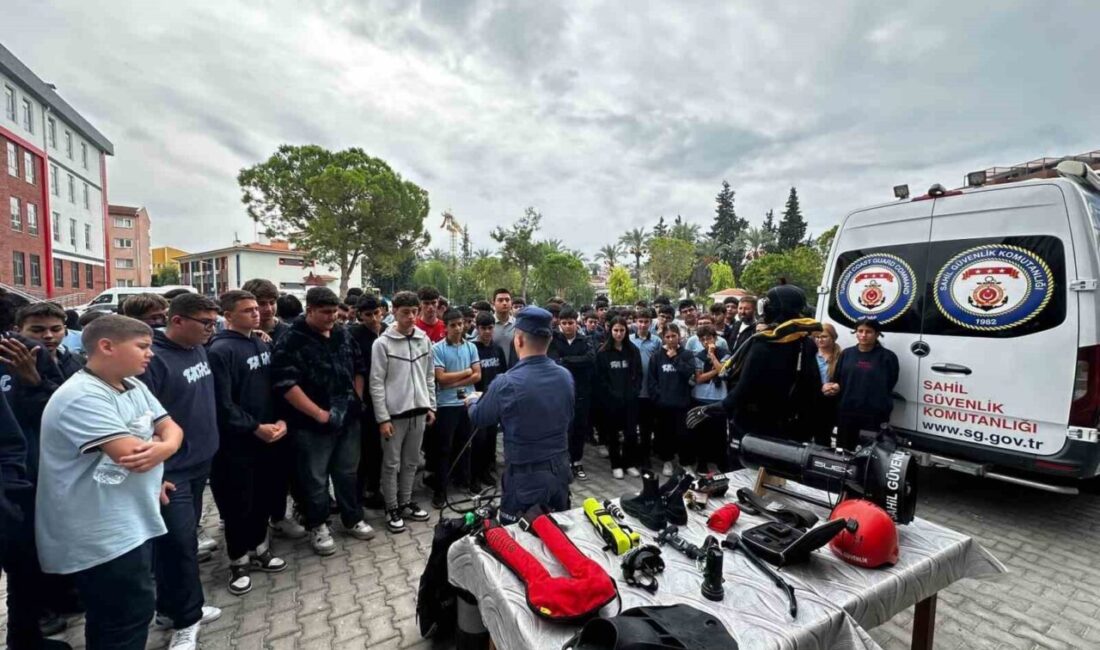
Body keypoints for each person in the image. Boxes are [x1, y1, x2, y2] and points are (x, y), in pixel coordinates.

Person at [36, 315, 181, 650]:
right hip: (100, 530)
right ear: (106, 346)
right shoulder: (82, 396)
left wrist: (166, 446)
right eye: (143, 346)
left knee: (131, 610)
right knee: (122, 618)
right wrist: (164, 448)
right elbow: (132, 455)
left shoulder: (132, 384)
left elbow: (171, 426)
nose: (151, 354)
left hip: (130, 518)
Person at [137, 293, 223, 647]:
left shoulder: (198, 347)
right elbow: (142, 423)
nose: (212, 329)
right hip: (171, 472)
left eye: (214, 322)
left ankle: (172, 607)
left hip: (200, 462)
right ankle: (187, 621)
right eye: (206, 323)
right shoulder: (153, 360)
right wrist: (155, 473)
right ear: (177, 321)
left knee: (179, 544)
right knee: (179, 544)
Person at [271, 287, 376, 555]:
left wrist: (357, 398)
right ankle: (318, 525)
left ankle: (352, 518)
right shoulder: (291, 340)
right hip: (310, 425)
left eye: (334, 312)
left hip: (348, 419)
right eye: (326, 312)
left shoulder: (343, 334)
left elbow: (359, 368)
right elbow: (286, 384)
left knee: (347, 473)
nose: (332, 318)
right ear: (310, 310)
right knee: (315, 479)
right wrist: (319, 414)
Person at [207, 290, 289, 596]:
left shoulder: (259, 340)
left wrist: (280, 421)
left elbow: (273, 387)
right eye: (247, 310)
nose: (256, 313)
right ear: (227, 315)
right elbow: (222, 403)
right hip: (239, 442)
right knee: (238, 502)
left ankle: (260, 548)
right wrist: (254, 427)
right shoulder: (220, 350)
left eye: (257, 309)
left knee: (263, 497)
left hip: (270, 435)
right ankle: (238, 560)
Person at [467, 307, 574, 524]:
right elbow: (568, 414)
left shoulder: (506, 382)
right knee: (558, 534)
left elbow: (480, 417)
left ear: (519, 340)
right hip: (560, 471)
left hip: (526, 478)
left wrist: (471, 401)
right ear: (549, 339)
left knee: (519, 541)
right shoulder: (565, 376)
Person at [687, 285, 823, 446]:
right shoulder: (806, 342)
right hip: (790, 426)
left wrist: (712, 408)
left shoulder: (764, 344)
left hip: (755, 424)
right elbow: (813, 389)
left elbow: (744, 387)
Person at [368, 291, 435, 534]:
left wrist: (431, 405)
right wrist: (382, 417)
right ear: (393, 311)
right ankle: (391, 507)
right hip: (394, 416)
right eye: (405, 312)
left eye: (414, 312)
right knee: (391, 464)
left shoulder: (424, 340)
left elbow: (429, 375)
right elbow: (376, 382)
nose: (410, 317)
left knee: (412, 462)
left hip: (418, 411)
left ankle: (406, 502)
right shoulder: (382, 343)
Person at [241, 279, 302, 539]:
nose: (266, 309)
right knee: (251, 480)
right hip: (251, 418)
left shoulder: (288, 331)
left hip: (285, 414)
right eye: (260, 304)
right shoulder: (234, 337)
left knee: (282, 472)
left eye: (271, 302)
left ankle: (279, 517)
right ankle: (251, 526)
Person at [429, 309, 481, 507]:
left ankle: (465, 481)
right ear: (446, 326)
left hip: (468, 401)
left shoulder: (471, 347)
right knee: (444, 448)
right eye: (453, 325)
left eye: (461, 324)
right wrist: (466, 372)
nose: (458, 328)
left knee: (465, 444)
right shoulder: (438, 349)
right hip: (446, 404)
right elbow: (440, 377)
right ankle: (440, 490)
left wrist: (454, 380)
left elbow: (477, 375)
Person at [825, 318, 899, 451]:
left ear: (877, 334)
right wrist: (833, 387)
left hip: (873, 415)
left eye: (868, 332)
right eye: (860, 331)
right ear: (856, 333)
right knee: (844, 451)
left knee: (869, 454)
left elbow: (890, 383)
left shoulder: (887, 357)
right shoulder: (847, 354)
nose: (863, 335)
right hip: (847, 412)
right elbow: (838, 379)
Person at [549, 308, 595, 480]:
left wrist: (566, 361)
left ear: (577, 323)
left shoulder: (585, 340)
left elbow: (590, 359)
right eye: (564, 323)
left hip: (582, 391)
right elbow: (554, 362)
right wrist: (575, 362)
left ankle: (577, 460)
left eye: (571, 323)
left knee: (580, 428)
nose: (568, 326)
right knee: (563, 428)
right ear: (560, 323)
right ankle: (564, 461)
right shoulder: (553, 340)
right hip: (560, 392)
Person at [595, 317, 642, 480]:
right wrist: (611, 394)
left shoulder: (633, 351)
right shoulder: (603, 353)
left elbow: (638, 374)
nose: (619, 333)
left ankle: (629, 463)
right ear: (610, 331)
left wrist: (634, 392)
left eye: (622, 330)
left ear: (626, 331)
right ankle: (616, 465)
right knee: (613, 434)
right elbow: (600, 379)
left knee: (631, 434)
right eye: (616, 330)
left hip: (630, 400)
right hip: (611, 402)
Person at [646, 323, 695, 476]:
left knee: (683, 435)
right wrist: (658, 398)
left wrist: (675, 358)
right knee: (664, 434)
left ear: (679, 336)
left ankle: (685, 463)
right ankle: (667, 461)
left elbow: (689, 373)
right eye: (667, 336)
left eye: (673, 336)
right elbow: (652, 380)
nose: (671, 339)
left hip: (682, 403)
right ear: (663, 338)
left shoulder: (686, 354)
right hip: (663, 404)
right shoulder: (656, 356)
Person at [350, 296, 385, 510]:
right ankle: (361, 492)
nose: (373, 319)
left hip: (388, 397)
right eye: (367, 315)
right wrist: (358, 399)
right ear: (359, 316)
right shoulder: (353, 335)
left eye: (376, 313)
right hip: (366, 400)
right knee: (366, 449)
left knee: (382, 450)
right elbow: (355, 370)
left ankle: (376, 487)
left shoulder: (389, 331)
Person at [471, 312, 508, 486]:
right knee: (478, 439)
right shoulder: (473, 349)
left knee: (491, 439)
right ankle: (475, 474)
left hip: (495, 401)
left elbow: (503, 374)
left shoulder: (497, 349)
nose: (487, 332)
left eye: (490, 328)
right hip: (478, 401)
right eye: (483, 328)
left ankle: (486, 471)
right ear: (477, 328)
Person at [691, 325, 732, 473]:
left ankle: (721, 462)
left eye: (709, 338)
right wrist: (718, 369)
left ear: (715, 338)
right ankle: (702, 463)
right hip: (701, 398)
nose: (706, 342)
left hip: (719, 398)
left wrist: (713, 357)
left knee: (720, 433)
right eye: (703, 339)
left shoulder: (725, 353)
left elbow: (725, 374)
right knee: (702, 433)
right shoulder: (697, 356)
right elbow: (699, 378)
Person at [629, 308, 661, 475]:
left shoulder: (656, 341)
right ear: (635, 322)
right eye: (639, 321)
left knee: (647, 428)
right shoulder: (629, 339)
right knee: (632, 427)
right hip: (634, 390)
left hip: (649, 391)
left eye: (646, 322)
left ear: (650, 323)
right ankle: (633, 458)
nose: (642, 325)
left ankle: (645, 458)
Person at [810, 323, 842, 447]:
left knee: (823, 437)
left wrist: (837, 386)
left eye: (824, 336)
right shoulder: (812, 355)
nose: (819, 339)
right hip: (813, 399)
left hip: (830, 402)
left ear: (833, 337)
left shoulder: (841, 356)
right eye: (817, 337)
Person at [491, 288, 516, 366]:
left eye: (507, 300)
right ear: (493, 303)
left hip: (514, 369)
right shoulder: (487, 325)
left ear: (511, 302)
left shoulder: (518, 324)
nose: (504, 303)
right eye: (500, 300)